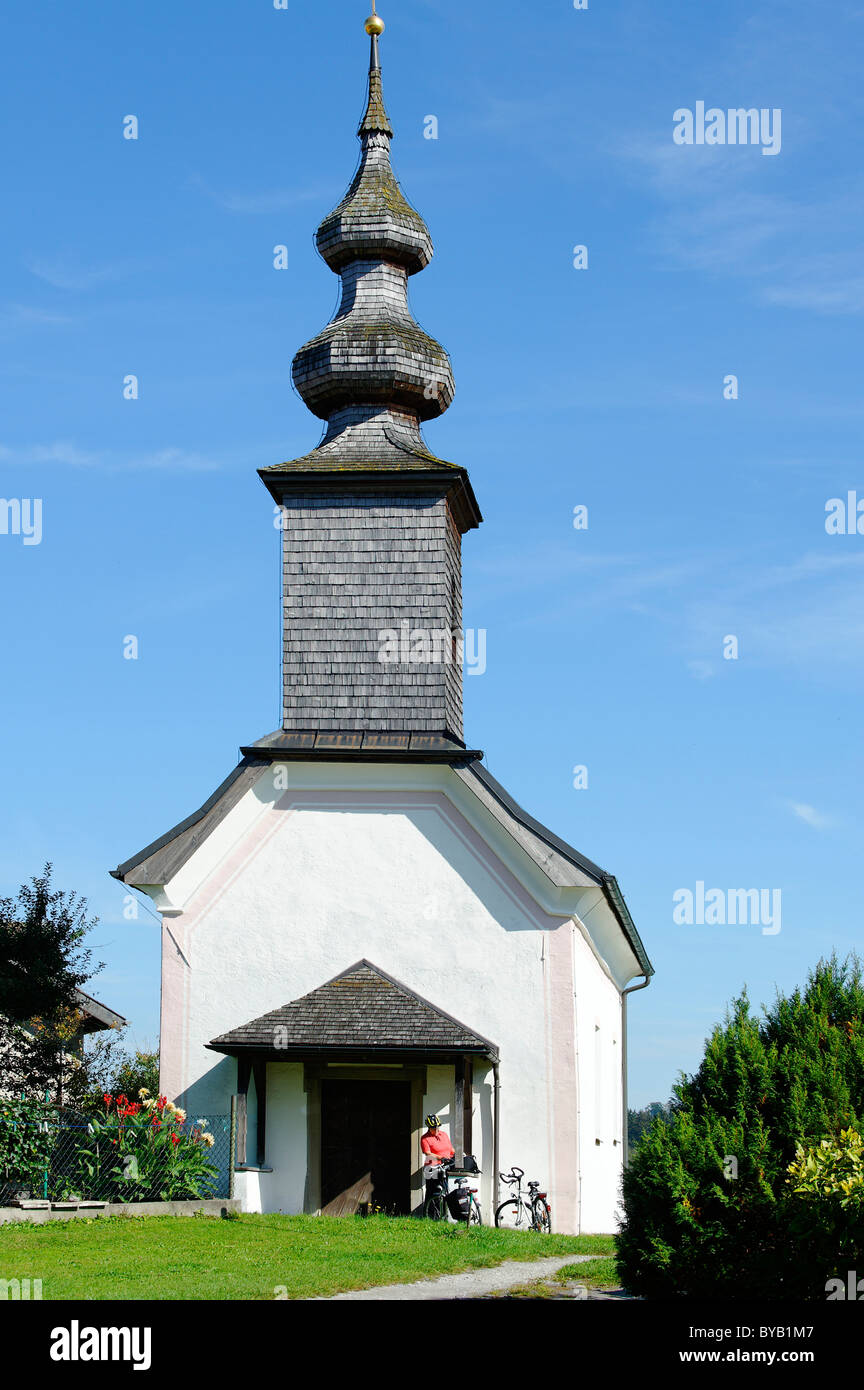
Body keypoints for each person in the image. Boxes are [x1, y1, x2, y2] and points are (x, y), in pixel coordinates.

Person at [421, 1114, 455, 1206]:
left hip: (444, 1166)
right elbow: (428, 1153)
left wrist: (458, 1155)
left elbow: (450, 1149)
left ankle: (443, 1213)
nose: (436, 1129)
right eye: (433, 1128)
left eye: (437, 1127)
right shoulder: (425, 1138)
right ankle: (429, 1214)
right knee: (432, 1191)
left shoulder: (444, 1135)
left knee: (444, 1190)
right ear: (429, 1127)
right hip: (432, 1168)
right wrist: (441, 1158)